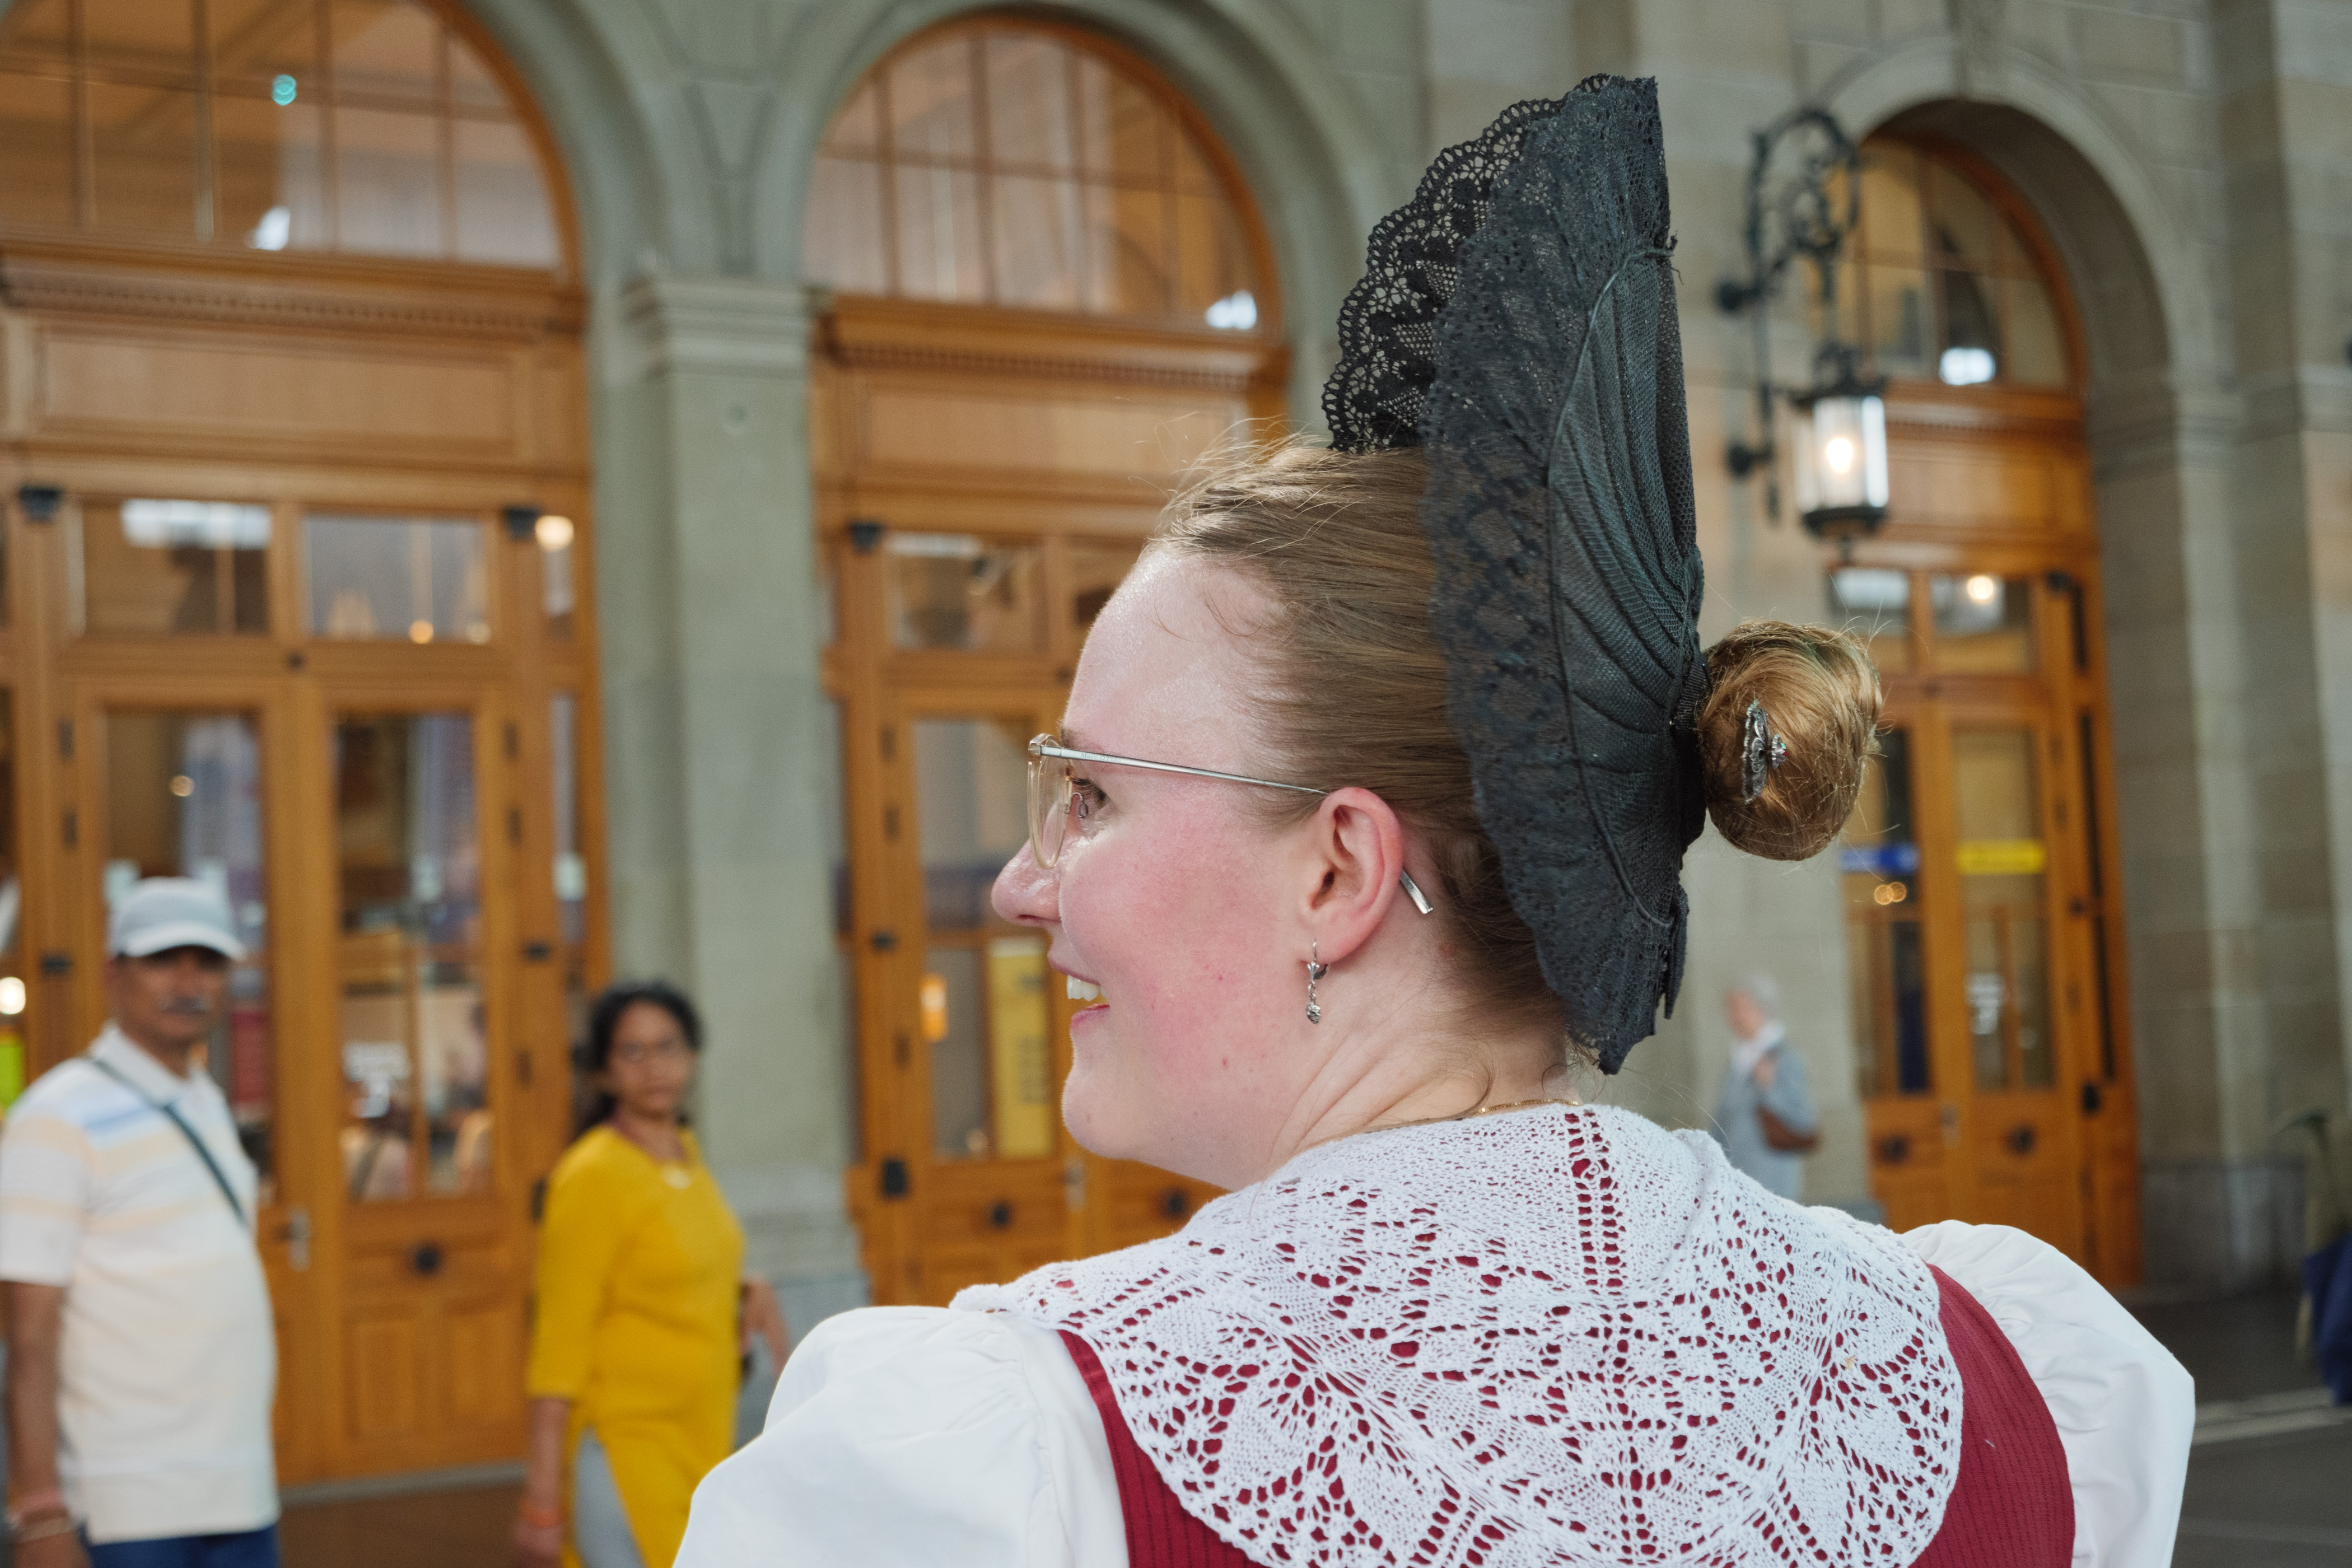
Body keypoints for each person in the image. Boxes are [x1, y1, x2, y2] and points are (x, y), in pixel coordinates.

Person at [678, 78, 2191, 1567]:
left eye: (1090, 795)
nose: (1023, 884)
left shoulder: (1015, 1464)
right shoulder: (2004, 1378)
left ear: (1339, 869)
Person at [0, 879, 278, 1567]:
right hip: (128, 1507)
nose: (189, 982)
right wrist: (39, 1512)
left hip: (240, 1489)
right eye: (164, 960)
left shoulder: (204, 1098)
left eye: (208, 962)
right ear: (112, 972)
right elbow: (28, 1337)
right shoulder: (56, 1117)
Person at [514, 982, 788, 1568]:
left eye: (667, 1046)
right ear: (605, 1073)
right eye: (631, 1052)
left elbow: (671, 1262)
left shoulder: (681, 1150)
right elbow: (557, 1344)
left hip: (701, 1439)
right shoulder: (592, 1174)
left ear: (691, 1057)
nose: (653, 1066)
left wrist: (746, 1287)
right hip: (626, 1448)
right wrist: (541, 1496)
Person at [1710, 974, 1817, 1199]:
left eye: (1740, 1009)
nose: (1734, 1017)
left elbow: (1803, 1119)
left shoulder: (1785, 1058)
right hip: (1735, 1175)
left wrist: (1768, 1089)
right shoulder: (1738, 1058)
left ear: (1761, 1009)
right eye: (1731, 1009)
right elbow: (1723, 1119)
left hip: (1770, 1177)